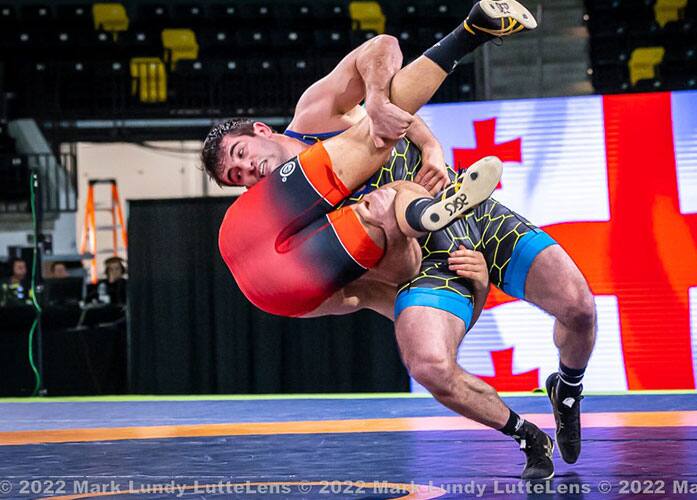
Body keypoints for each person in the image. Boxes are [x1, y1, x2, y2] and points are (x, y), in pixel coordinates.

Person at [204, 0, 578, 480]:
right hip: (434, 261)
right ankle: (528, 435)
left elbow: (381, 48)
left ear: (259, 131)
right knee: (428, 364)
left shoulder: (313, 115)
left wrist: (419, 135)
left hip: (464, 205)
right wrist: (478, 287)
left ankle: (567, 388)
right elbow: (392, 291)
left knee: (579, 308)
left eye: (241, 154)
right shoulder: (304, 237)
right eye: (237, 178)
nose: (247, 171)